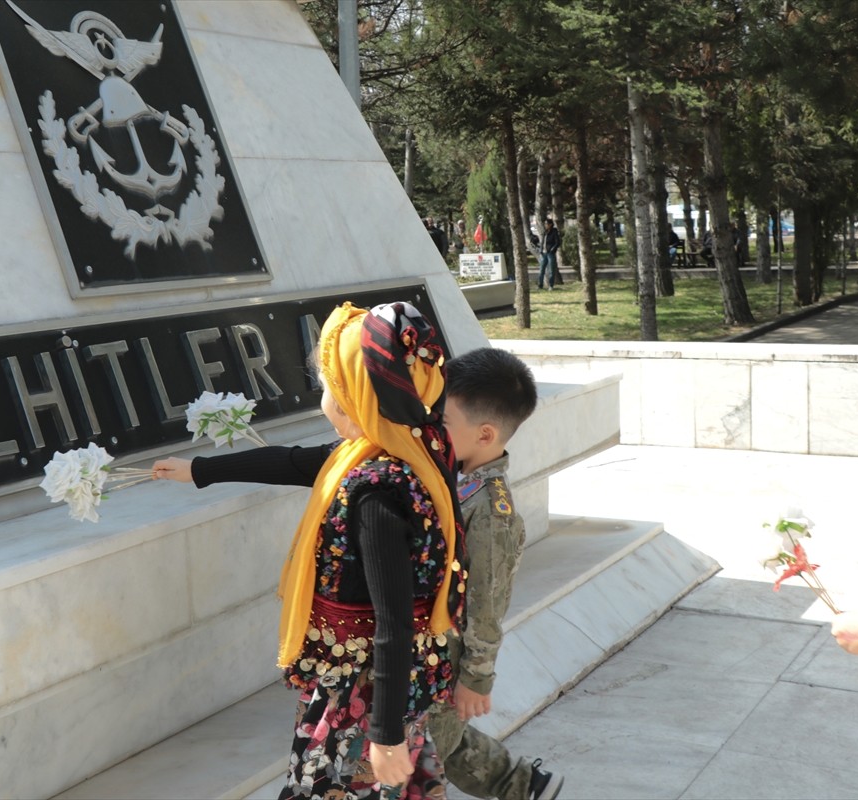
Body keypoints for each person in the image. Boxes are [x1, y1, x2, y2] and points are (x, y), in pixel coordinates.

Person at [154, 302, 464, 798]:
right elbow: (295, 463)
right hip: (360, 684)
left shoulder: (377, 492)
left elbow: (395, 621)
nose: (324, 401)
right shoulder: (403, 450)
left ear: (356, 400)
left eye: (329, 389)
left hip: (360, 696)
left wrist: (383, 736)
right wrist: (199, 470)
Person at [428, 347, 563, 800]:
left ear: (485, 434)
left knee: (418, 759)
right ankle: (521, 786)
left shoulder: (491, 512)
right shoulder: (454, 470)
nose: (431, 427)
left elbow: (487, 604)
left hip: (443, 660)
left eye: (442, 421)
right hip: (424, 650)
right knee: (437, 739)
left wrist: (475, 678)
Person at [538, 219, 562, 290]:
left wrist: (552, 249)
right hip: (544, 253)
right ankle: (540, 285)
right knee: (541, 270)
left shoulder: (554, 232)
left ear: (550, 224)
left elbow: (557, 242)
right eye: (545, 224)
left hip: (550, 253)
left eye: (547, 224)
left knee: (551, 270)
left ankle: (551, 285)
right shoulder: (545, 232)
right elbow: (542, 242)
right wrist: (541, 249)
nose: (545, 225)